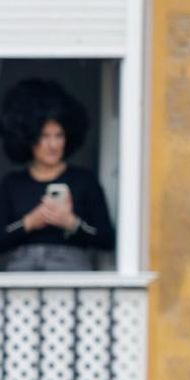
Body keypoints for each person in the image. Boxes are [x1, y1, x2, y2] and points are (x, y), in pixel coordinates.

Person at [0, 78, 115, 270]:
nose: (53, 145)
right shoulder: (12, 184)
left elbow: (106, 239)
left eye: (59, 135)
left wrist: (71, 223)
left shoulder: (84, 181)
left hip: (71, 272)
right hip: (20, 276)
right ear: (27, 139)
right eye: (44, 136)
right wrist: (29, 222)